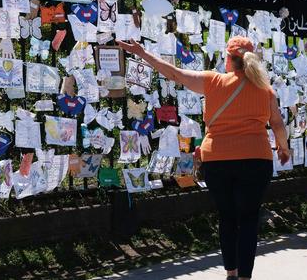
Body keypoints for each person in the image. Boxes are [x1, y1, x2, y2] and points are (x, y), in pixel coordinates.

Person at [117, 36, 290, 280]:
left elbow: (174, 74)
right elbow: (278, 125)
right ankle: (245, 277)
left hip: (217, 159)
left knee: (227, 216)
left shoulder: (213, 81)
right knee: (249, 218)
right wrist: (283, 149)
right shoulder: (265, 89)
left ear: (228, 60)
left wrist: (142, 52)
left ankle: (231, 272)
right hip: (256, 158)